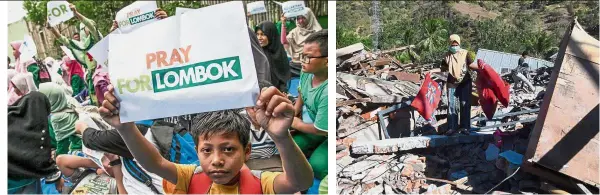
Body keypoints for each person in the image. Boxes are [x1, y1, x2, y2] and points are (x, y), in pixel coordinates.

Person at [99, 85, 314, 194]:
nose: (217, 159)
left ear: (247, 151)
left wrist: (281, 137)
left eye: (228, 149)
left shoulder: (260, 182)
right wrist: (124, 127)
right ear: (197, 150)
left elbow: (300, 182)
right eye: (207, 150)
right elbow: (153, 163)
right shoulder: (191, 177)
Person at [290, 30, 329, 182]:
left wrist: (297, 124)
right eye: (302, 55)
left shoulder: (327, 91)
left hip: (326, 130)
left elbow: (321, 129)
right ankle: (314, 147)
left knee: (318, 167)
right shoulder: (307, 71)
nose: (302, 61)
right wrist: (295, 110)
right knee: (289, 147)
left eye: (308, 57)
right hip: (317, 124)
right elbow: (301, 91)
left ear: (326, 61)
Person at [8, 91, 61, 194]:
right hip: (24, 180)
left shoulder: (10, 117)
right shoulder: (37, 130)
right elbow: (43, 156)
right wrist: (55, 175)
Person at [440, 34, 478, 135]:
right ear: (449, 43)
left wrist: (482, 68)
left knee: (464, 104)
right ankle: (452, 127)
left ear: (459, 43)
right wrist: (431, 72)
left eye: (456, 44)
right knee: (452, 105)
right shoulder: (446, 56)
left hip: (465, 82)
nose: (454, 46)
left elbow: (471, 65)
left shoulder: (466, 53)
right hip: (452, 83)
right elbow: (443, 68)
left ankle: (465, 128)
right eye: (452, 44)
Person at [39, 82, 83, 156]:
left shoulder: (57, 117)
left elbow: (63, 146)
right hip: (87, 139)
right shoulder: (68, 100)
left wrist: (56, 156)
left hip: (79, 146)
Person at [281, 8, 322, 77]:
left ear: (309, 17)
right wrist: (283, 24)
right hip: (295, 64)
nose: (301, 21)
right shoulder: (295, 31)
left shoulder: (317, 32)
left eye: (303, 18)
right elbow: (284, 41)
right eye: (298, 18)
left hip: (311, 65)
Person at [244, 107, 282, 172]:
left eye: (262, 107)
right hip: (247, 164)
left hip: (273, 162)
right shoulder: (239, 121)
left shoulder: (276, 118)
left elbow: (284, 150)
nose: (258, 112)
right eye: (253, 108)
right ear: (246, 108)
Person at [256, 21, 291, 92]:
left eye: (263, 34)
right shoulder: (257, 54)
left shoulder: (279, 53)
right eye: (257, 34)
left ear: (271, 35)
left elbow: (284, 77)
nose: (259, 38)